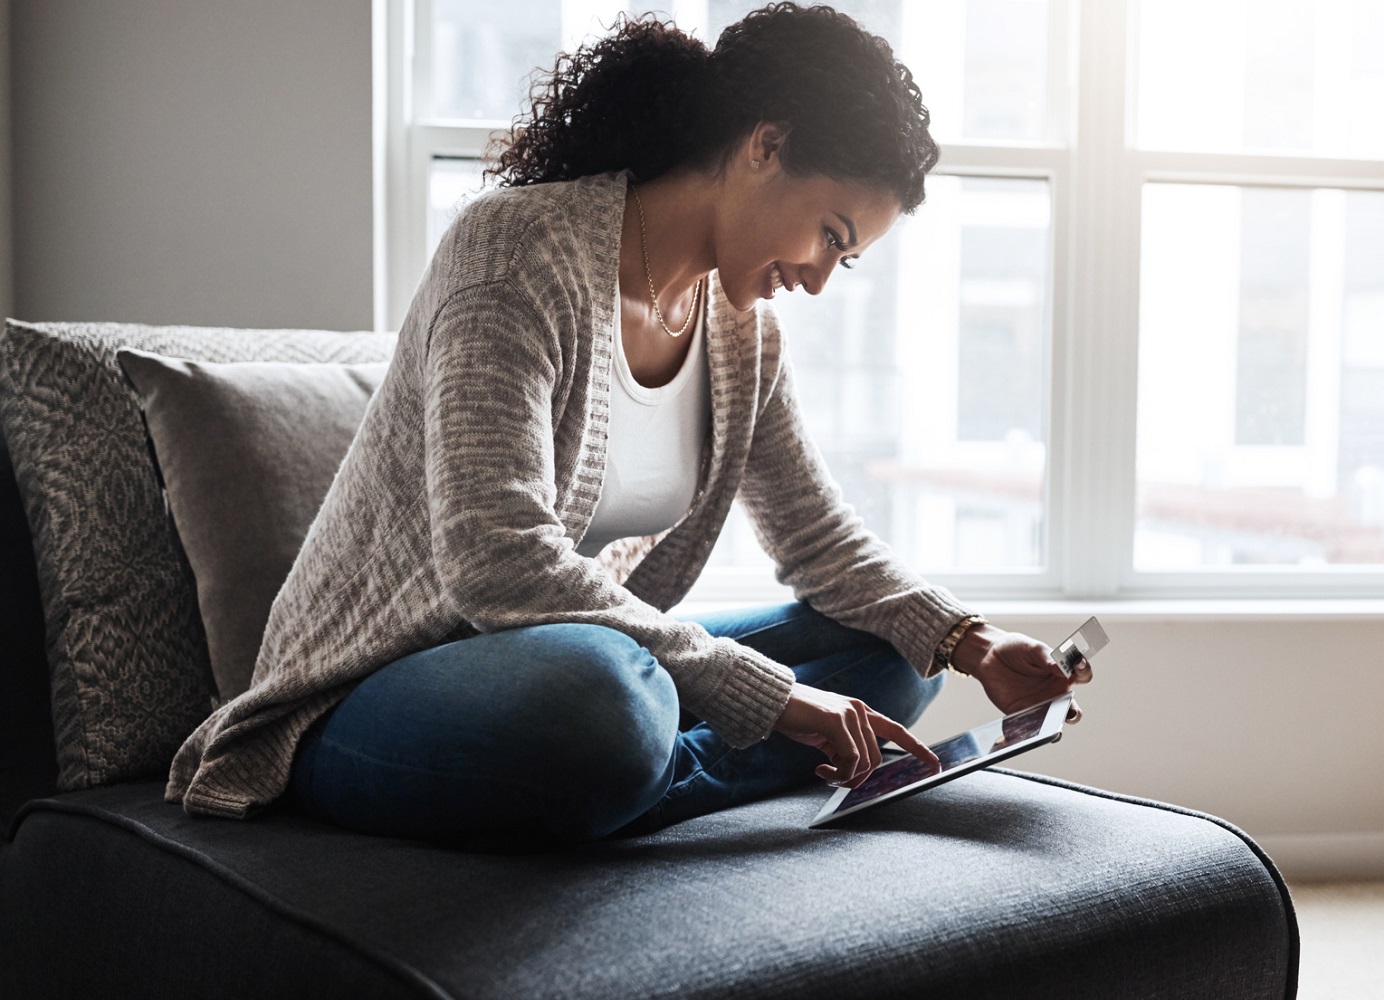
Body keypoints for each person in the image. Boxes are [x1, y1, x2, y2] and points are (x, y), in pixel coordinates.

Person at [161, 2, 1092, 846]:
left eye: (842, 262)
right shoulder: (515, 252)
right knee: (607, 702)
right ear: (766, 144)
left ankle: (634, 779)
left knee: (896, 658)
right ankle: (642, 765)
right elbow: (498, 560)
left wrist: (969, 642)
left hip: (567, 662)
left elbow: (818, 539)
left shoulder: (742, 335)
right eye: (831, 235)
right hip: (375, 691)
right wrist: (766, 699)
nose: (816, 275)